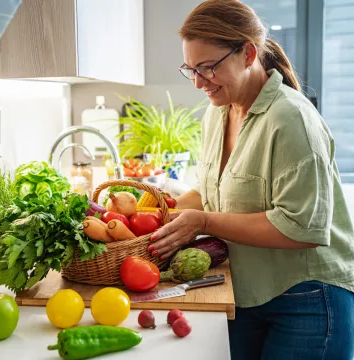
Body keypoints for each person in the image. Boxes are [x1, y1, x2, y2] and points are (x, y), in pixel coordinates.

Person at [149, 1, 354, 359]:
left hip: (307, 298)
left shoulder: (291, 120)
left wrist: (205, 221)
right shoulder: (218, 113)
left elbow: (301, 228)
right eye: (190, 69)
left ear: (247, 54)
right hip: (247, 291)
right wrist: (152, 217)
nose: (199, 82)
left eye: (208, 67)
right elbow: (213, 192)